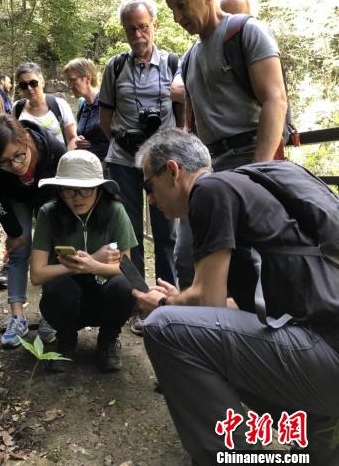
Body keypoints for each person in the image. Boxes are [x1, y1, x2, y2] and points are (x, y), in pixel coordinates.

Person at [132, 128, 339, 465]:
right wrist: (184, 302)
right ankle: (319, 430)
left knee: (164, 328)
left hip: (326, 356)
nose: (151, 199)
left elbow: (209, 302)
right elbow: (230, 309)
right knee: (193, 329)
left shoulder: (209, 190)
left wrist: (167, 304)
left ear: (172, 171)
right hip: (323, 351)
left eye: (148, 187)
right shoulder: (248, 190)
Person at [165, 0, 287, 289]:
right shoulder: (189, 58)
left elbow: (275, 99)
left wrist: (258, 172)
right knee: (188, 256)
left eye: (181, 5)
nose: (177, 17)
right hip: (206, 169)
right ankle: (198, 319)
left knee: (250, 262)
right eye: (172, 9)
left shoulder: (246, 32)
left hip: (249, 158)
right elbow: (191, 126)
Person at [99, 0, 180, 333]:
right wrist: (125, 141)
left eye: (143, 27)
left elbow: (185, 116)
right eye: (131, 29)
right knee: (128, 234)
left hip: (163, 163)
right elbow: (105, 118)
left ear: (154, 25)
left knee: (166, 234)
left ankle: (167, 304)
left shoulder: (174, 63)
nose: (138, 34)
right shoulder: (115, 67)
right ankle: (138, 302)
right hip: (123, 160)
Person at [30, 150, 137, 373]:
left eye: (85, 189)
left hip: (104, 297)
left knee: (124, 287)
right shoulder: (48, 213)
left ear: (99, 188)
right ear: (60, 189)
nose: (77, 197)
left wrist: (94, 266)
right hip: (67, 299)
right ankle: (66, 341)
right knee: (56, 287)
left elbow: (128, 271)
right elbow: (37, 274)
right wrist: (87, 261)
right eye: (69, 190)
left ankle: (107, 341)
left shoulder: (115, 211)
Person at [0, 114, 67, 347]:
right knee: (18, 250)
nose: (15, 166)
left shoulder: (54, 150)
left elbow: (64, 193)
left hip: (48, 194)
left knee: (52, 250)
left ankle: (51, 313)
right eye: (5, 162)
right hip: (15, 198)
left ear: (26, 139)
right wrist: (13, 232)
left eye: (19, 155)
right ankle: (17, 318)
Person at [13, 62, 77, 150]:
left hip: (58, 156)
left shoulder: (59, 104)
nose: (29, 88)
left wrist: (66, 156)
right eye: (23, 85)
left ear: (42, 82)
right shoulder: (17, 107)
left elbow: (73, 138)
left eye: (33, 83)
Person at [62, 58, 109, 161]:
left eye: (73, 80)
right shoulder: (82, 104)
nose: (70, 86)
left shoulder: (107, 102)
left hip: (107, 166)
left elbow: (117, 140)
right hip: (88, 165)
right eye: (68, 81)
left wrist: (94, 146)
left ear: (88, 78)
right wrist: (80, 142)